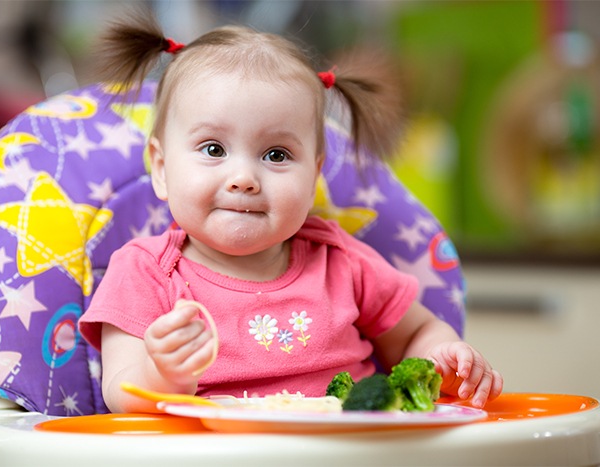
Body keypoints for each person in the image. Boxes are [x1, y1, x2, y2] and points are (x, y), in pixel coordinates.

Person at [78, 10, 503, 414]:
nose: (244, 177)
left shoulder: (343, 262)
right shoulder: (145, 272)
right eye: (213, 149)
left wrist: (443, 358)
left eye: (277, 154)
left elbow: (416, 333)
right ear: (162, 168)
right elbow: (120, 392)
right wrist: (162, 375)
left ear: (314, 174)